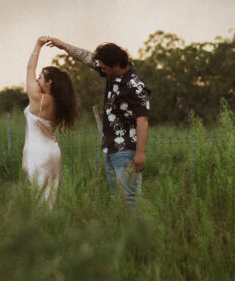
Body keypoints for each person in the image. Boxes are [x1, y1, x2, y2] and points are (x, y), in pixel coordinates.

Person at [47, 38, 150, 206]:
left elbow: (143, 121)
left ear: (116, 64)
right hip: (110, 149)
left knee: (130, 199)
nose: (101, 70)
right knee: (117, 199)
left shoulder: (135, 86)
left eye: (104, 68)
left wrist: (140, 154)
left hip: (126, 151)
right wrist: (63, 45)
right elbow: (87, 57)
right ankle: (122, 231)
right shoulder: (112, 71)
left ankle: (138, 231)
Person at [23, 36, 77, 206]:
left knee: (36, 198)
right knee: (50, 198)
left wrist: (38, 44)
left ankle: (41, 230)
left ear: (49, 82)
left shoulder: (39, 99)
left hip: (37, 154)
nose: (37, 79)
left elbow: (29, 68)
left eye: (41, 77)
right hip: (53, 152)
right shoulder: (59, 102)